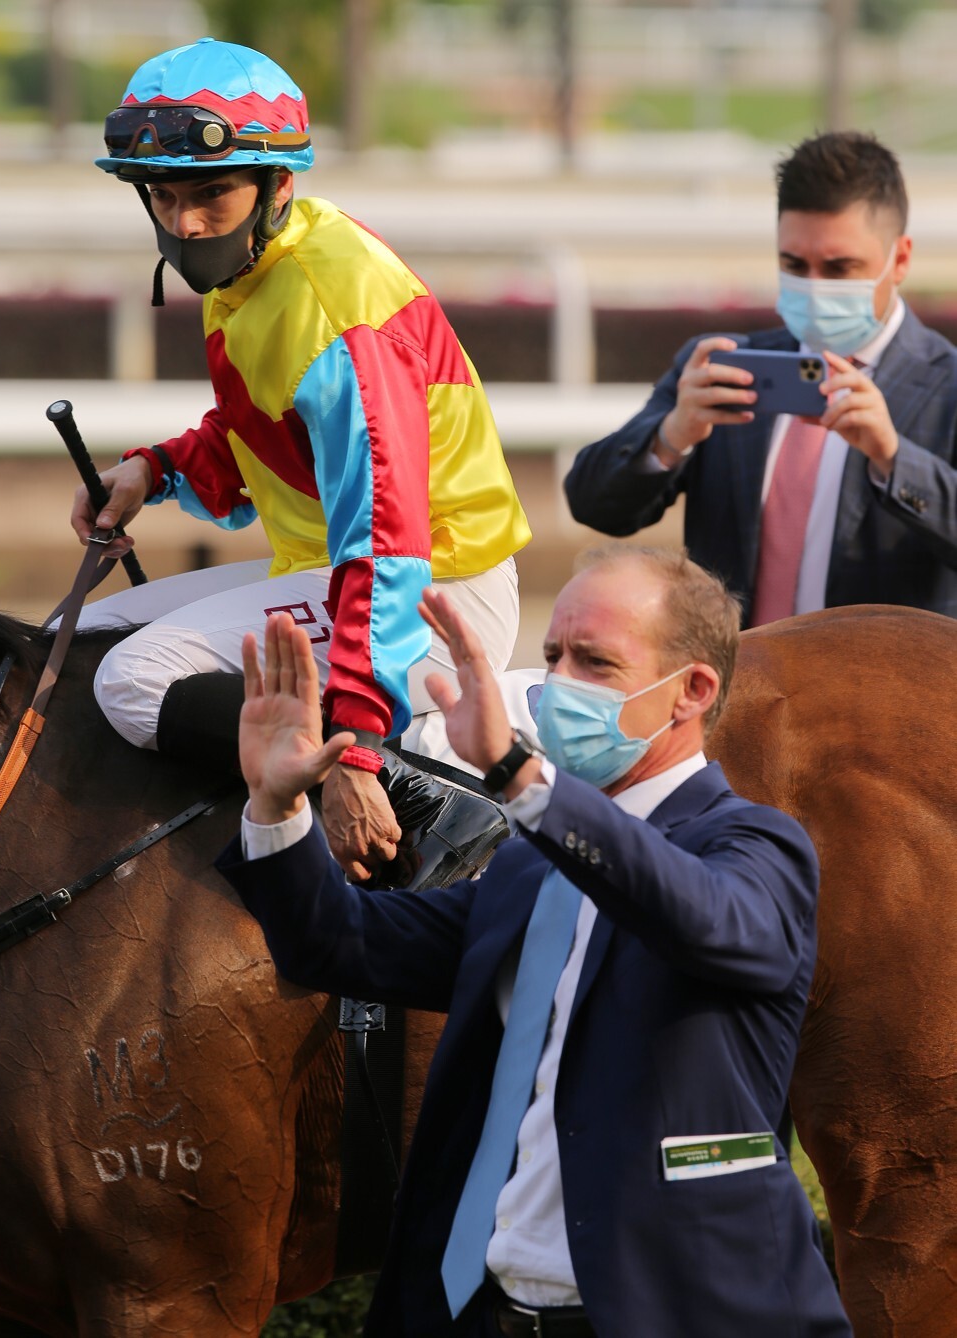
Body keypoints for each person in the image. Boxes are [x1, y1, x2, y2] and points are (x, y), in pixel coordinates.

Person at [217, 544, 852, 1338]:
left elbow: (703, 919)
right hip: (490, 1313)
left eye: (595, 661)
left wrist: (521, 776)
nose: (557, 685)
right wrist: (276, 811)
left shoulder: (756, 846)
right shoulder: (525, 870)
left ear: (691, 691)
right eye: (552, 657)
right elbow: (337, 944)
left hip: (684, 1312)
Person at [68, 37, 531, 882]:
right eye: (164, 198)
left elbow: (386, 543)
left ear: (280, 185)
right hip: (341, 571)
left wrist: (350, 750)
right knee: (77, 639)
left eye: (212, 193)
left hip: (429, 594)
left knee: (131, 681)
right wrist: (154, 471)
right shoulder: (257, 271)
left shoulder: (335, 306)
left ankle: (423, 798)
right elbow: (261, 429)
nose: (186, 225)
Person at [565, 130, 957, 627]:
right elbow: (594, 504)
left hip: (882, 694)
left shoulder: (948, 387)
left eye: (840, 268)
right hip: (739, 691)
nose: (814, 286)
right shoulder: (727, 365)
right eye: (794, 265)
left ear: (899, 259)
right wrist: (671, 437)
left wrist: (893, 458)